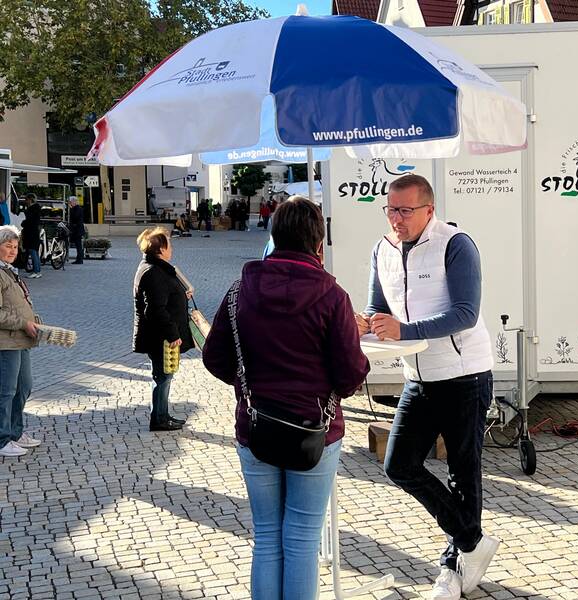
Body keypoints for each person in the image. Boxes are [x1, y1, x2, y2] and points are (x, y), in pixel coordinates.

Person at [203, 196, 369, 600]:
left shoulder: (240, 290)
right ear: (318, 242)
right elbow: (350, 375)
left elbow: (214, 357)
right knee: (301, 540)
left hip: (256, 424)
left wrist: (248, 386)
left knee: (267, 537)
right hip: (316, 430)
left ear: (274, 235)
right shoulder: (333, 297)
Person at [356, 174, 498, 599]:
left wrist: (407, 329)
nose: (395, 219)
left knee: (462, 474)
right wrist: (369, 323)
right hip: (417, 377)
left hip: (464, 375)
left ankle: (452, 571)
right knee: (398, 464)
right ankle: (472, 540)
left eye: (404, 210)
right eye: (390, 209)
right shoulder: (381, 249)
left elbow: (466, 313)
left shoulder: (456, 245)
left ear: (428, 210)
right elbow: (377, 307)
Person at [132, 227, 194, 432]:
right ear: (160, 249)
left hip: (160, 334)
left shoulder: (157, 267)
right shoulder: (152, 272)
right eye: (169, 244)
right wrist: (172, 334)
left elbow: (165, 296)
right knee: (162, 377)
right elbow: (155, 310)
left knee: (164, 375)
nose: (172, 248)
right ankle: (159, 419)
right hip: (159, 336)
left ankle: (162, 414)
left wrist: (180, 295)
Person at [0, 225, 41, 457]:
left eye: (15, 246)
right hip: (6, 342)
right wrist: (23, 323)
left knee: (24, 387)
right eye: (7, 246)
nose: (12, 250)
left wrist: (33, 321)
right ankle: (2, 438)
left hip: (22, 339)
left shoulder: (10, 271)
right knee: (6, 391)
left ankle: (15, 432)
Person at [21, 194, 41, 279]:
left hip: (31, 233)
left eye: (26, 199)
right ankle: (38, 271)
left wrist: (23, 223)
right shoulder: (36, 209)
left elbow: (29, 221)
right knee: (35, 252)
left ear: (30, 200)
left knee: (33, 252)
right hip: (34, 233)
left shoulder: (32, 210)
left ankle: (36, 271)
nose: (25, 201)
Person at [68, 196, 85, 264]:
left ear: (74, 202)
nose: (70, 203)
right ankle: (79, 259)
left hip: (78, 230)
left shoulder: (78, 208)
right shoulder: (76, 208)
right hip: (77, 229)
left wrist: (71, 209)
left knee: (78, 245)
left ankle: (80, 260)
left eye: (70, 202)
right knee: (78, 245)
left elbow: (75, 217)